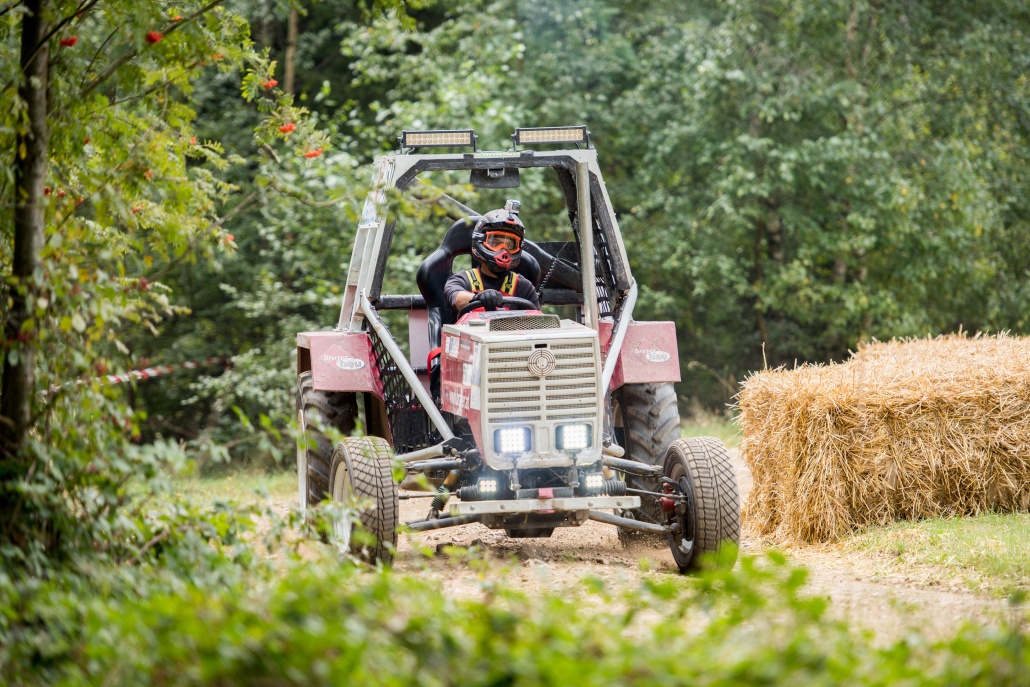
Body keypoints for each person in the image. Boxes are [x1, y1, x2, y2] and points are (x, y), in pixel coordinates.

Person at [444, 199, 541, 314]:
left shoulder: (524, 287)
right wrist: (477, 298)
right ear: (480, 241)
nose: (504, 251)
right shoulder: (461, 279)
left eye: (510, 245)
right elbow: (456, 298)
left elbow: (536, 320)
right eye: (495, 243)